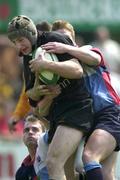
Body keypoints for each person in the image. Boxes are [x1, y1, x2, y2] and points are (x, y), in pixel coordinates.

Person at [7, 15, 94, 180]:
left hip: (76, 108)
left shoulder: (53, 39)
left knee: (53, 163)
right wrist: (40, 89)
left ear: (31, 33)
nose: (19, 45)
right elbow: (31, 95)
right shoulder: (27, 56)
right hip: (56, 116)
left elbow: (77, 70)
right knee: (69, 174)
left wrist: (46, 65)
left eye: (21, 39)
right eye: (15, 42)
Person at [42, 20, 120, 180]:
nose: (62, 42)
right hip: (85, 119)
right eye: (58, 40)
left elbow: (95, 60)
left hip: (108, 113)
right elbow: (40, 108)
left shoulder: (86, 50)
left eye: (66, 38)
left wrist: (66, 48)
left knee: (90, 156)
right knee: (103, 173)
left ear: (73, 39)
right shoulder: (58, 68)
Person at [8, 21, 52, 132]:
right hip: (48, 115)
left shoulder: (58, 54)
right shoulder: (30, 62)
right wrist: (17, 115)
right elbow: (26, 92)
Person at [15, 114, 46, 180]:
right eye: (26, 130)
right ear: (23, 136)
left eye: (35, 129)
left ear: (44, 134)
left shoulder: (51, 161)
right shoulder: (20, 172)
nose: (30, 132)